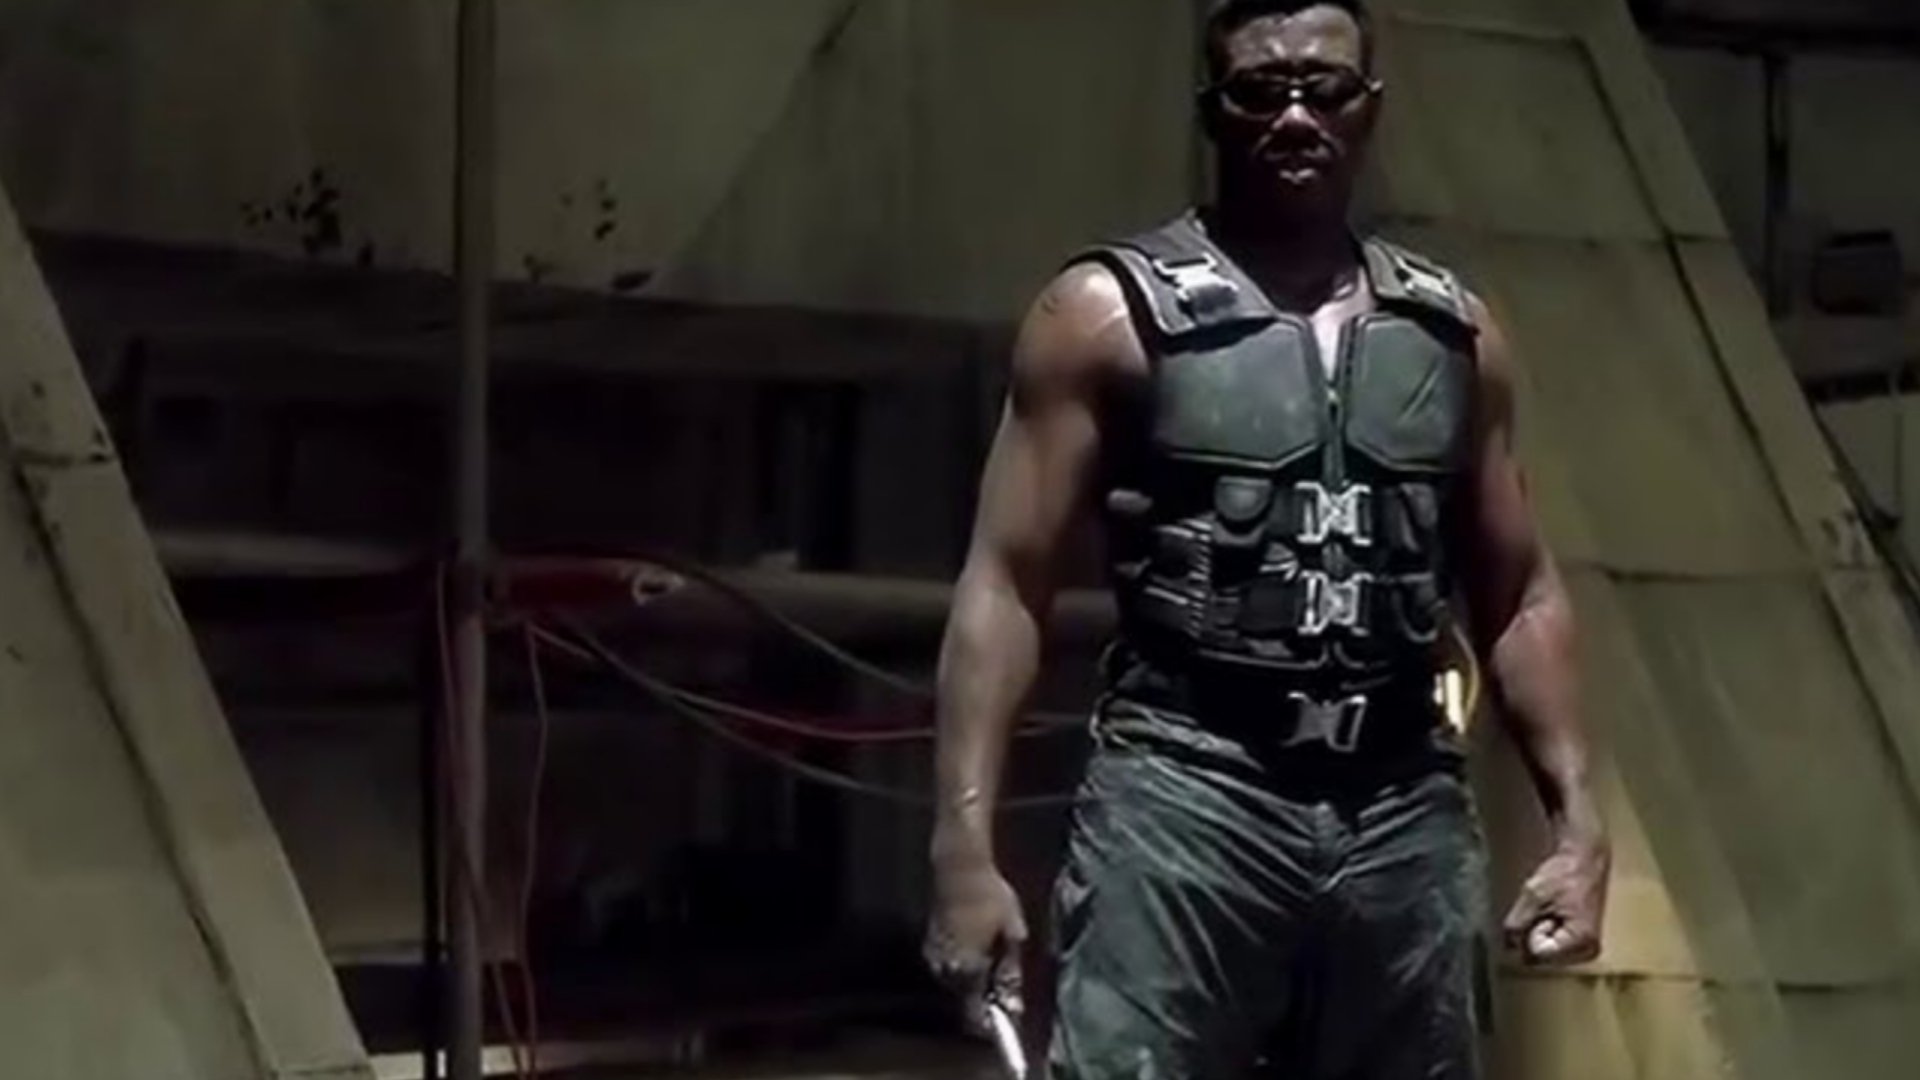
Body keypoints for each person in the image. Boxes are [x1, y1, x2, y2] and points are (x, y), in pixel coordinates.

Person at [921, 1, 1611, 1077]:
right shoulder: (1102, 315)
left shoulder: (1452, 332)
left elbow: (1519, 592)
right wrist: (963, 846)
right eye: (1260, 90)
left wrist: (1579, 824)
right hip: (1184, 798)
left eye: (1323, 89)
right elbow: (1005, 586)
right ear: (1213, 110)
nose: (1294, 115)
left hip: (1400, 804)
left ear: (1367, 108)